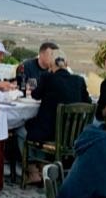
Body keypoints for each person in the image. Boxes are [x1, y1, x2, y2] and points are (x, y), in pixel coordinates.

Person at [17, 49, 91, 183]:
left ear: (51, 65)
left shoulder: (47, 77)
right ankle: (43, 169)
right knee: (36, 129)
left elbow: (35, 95)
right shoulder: (79, 80)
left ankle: (33, 171)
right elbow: (88, 103)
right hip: (73, 136)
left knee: (21, 130)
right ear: (66, 63)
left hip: (49, 133)